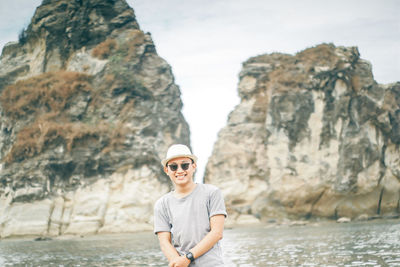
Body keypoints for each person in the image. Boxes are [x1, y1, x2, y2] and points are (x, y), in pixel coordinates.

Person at [154, 144, 227, 267]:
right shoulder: (162, 204)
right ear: (167, 170)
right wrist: (178, 262)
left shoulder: (212, 193)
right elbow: (164, 242)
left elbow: (217, 233)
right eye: (173, 167)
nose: (180, 170)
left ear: (194, 166)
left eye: (184, 165)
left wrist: (188, 257)